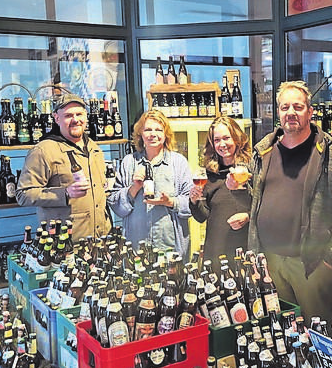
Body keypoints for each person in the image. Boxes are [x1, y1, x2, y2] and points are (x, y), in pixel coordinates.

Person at [248, 81, 332, 323]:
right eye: (285, 107)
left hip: (310, 265)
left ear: (310, 112)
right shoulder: (264, 151)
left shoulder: (331, 153)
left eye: (298, 107)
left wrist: (331, 259)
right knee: (278, 330)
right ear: (278, 112)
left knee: (316, 331)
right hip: (270, 260)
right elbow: (255, 198)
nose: (291, 113)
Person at [17, 93, 111, 239]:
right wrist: (65, 194)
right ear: (56, 118)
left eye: (79, 114)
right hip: (66, 242)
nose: (75, 120)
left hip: (100, 238)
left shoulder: (94, 148)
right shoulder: (43, 150)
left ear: (86, 116)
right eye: (68, 115)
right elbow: (23, 195)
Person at [108, 110, 192, 258]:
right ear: (140, 134)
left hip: (170, 249)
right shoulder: (129, 162)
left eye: (158, 130)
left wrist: (170, 202)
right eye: (148, 129)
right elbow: (116, 205)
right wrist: (135, 187)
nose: (153, 134)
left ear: (166, 134)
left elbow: (191, 204)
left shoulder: (178, 162)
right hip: (135, 249)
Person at [190, 116, 252, 267]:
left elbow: (266, 209)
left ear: (237, 139)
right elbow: (201, 216)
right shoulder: (209, 175)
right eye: (217, 140)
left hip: (246, 248)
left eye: (226, 138)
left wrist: (248, 216)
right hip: (216, 249)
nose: (222, 144)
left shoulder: (251, 170)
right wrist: (194, 200)